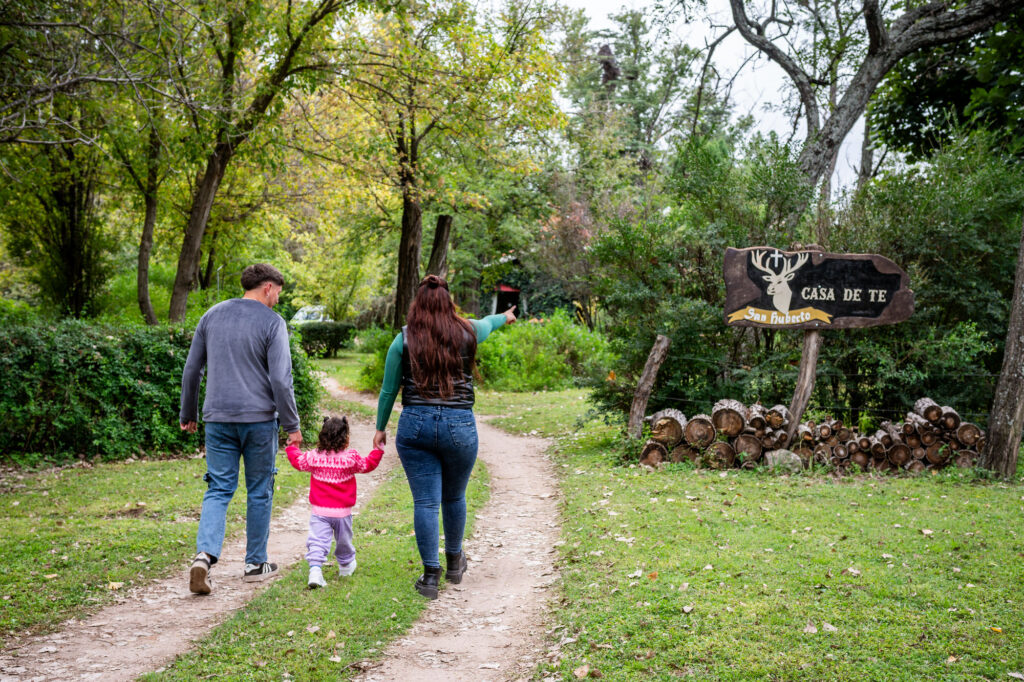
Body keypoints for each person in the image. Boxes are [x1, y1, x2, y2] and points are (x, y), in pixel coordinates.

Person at [373, 274, 516, 599]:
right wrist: (506, 317)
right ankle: (454, 562)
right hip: (459, 427)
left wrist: (380, 428)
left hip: (415, 426)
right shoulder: (468, 330)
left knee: (425, 501)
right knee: (454, 497)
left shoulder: (404, 339)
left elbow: (388, 389)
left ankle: (430, 575)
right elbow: (488, 323)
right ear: (448, 302)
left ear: (418, 303)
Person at [179, 263, 302, 595]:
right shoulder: (272, 322)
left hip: (217, 419)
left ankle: (204, 556)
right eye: (277, 290)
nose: (278, 297)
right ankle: (254, 563)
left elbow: (192, 370)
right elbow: (280, 379)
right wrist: (292, 425)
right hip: (259, 420)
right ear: (266, 287)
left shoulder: (212, 315)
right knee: (260, 489)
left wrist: (188, 411)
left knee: (218, 488)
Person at [286, 415, 384, 588]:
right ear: (346, 438)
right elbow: (367, 465)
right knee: (344, 540)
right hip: (342, 513)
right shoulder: (350, 458)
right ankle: (346, 566)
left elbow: (297, 462)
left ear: (322, 436)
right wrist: (378, 450)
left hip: (319, 512)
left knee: (317, 541)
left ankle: (315, 571)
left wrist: (292, 447)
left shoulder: (314, 457)